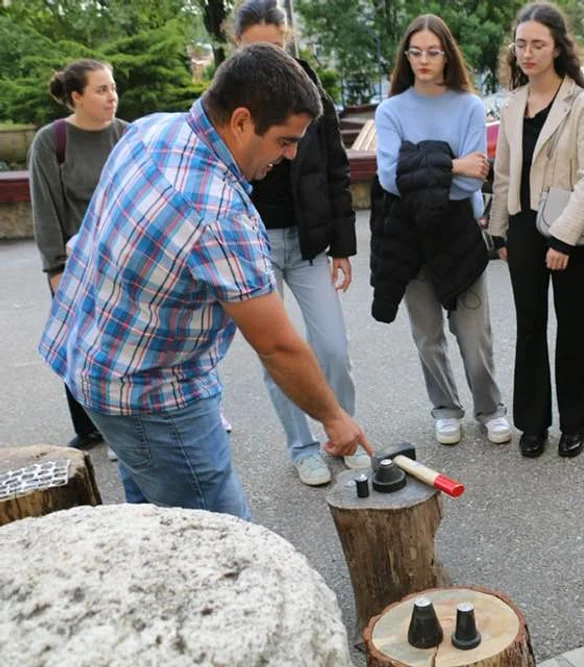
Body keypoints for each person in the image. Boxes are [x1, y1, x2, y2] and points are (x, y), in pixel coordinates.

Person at [38, 43, 370, 521]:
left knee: (156, 520)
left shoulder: (152, 129)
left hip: (92, 363)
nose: (293, 155)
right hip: (152, 395)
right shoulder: (217, 213)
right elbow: (277, 346)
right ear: (240, 121)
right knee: (219, 540)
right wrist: (335, 418)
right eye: (284, 140)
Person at [233, 0, 366, 486]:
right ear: (236, 47)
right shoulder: (230, 104)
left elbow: (336, 168)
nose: (268, 60)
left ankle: (342, 432)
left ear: (287, 42)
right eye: (256, 50)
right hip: (255, 245)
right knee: (278, 351)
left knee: (332, 346)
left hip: (309, 242)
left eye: (276, 47)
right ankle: (302, 446)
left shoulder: (313, 92)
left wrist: (343, 246)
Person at [372, 14, 511, 447]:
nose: (424, 60)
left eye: (433, 51)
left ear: (447, 54)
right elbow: (390, 178)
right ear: (406, 55)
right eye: (416, 52)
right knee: (427, 335)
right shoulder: (391, 109)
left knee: (474, 335)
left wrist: (424, 165)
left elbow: (472, 183)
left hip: (459, 234)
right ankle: (445, 409)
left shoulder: (468, 104)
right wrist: (451, 163)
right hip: (409, 236)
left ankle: (490, 408)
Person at [487, 2, 584, 459]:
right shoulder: (513, 103)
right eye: (521, 44)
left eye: (538, 44)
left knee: (572, 325)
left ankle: (576, 422)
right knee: (529, 326)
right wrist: (498, 233)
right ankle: (532, 423)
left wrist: (563, 239)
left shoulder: (582, 103)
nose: (528, 52)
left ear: (557, 48)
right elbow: (501, 173)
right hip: (521, 227)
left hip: (567, 230)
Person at [28, 59, 128, 459]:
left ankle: (126, 422)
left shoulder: (126, 134)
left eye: (113, 87)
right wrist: (55, 268)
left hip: (122, 260)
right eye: (101, 89)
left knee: (122, 345)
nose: (111, 96)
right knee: (79, 347)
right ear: (76, 97)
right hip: (75, 264)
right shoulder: (51, 142)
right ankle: (88, 428)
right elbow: (45, 209)